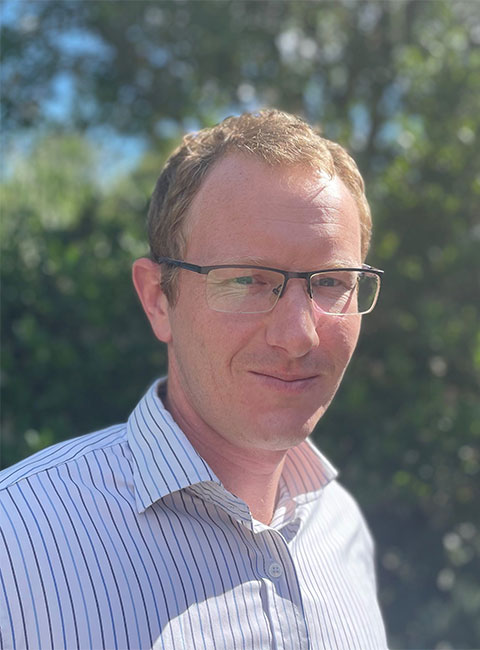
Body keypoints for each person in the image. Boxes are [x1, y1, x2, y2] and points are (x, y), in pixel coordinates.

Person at [0, 110, 388, 650]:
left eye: (329, 283)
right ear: (158, 298)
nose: (298, 336)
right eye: (249, 280)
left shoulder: (342, 527)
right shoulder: (16, 544)